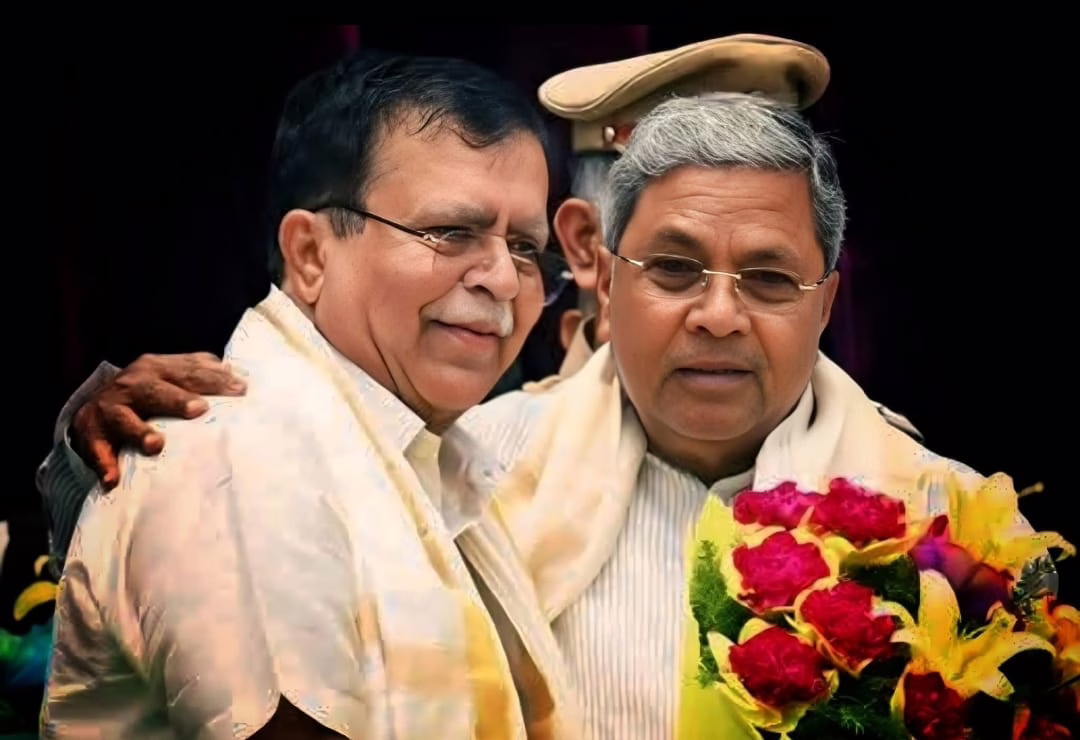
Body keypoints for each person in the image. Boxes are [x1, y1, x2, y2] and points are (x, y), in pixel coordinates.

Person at [40, 50, 581, 739]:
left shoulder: (443, 462)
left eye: (526, 247)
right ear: (310, 254)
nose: (503, 279)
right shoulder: (233, 454)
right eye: (452, 233)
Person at [524, 34, 924, 440]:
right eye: (674, 266)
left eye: (768, 276)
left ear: (824, 302)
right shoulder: (501, 453)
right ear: (588, 246)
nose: (719, 317)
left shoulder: (892, 464)